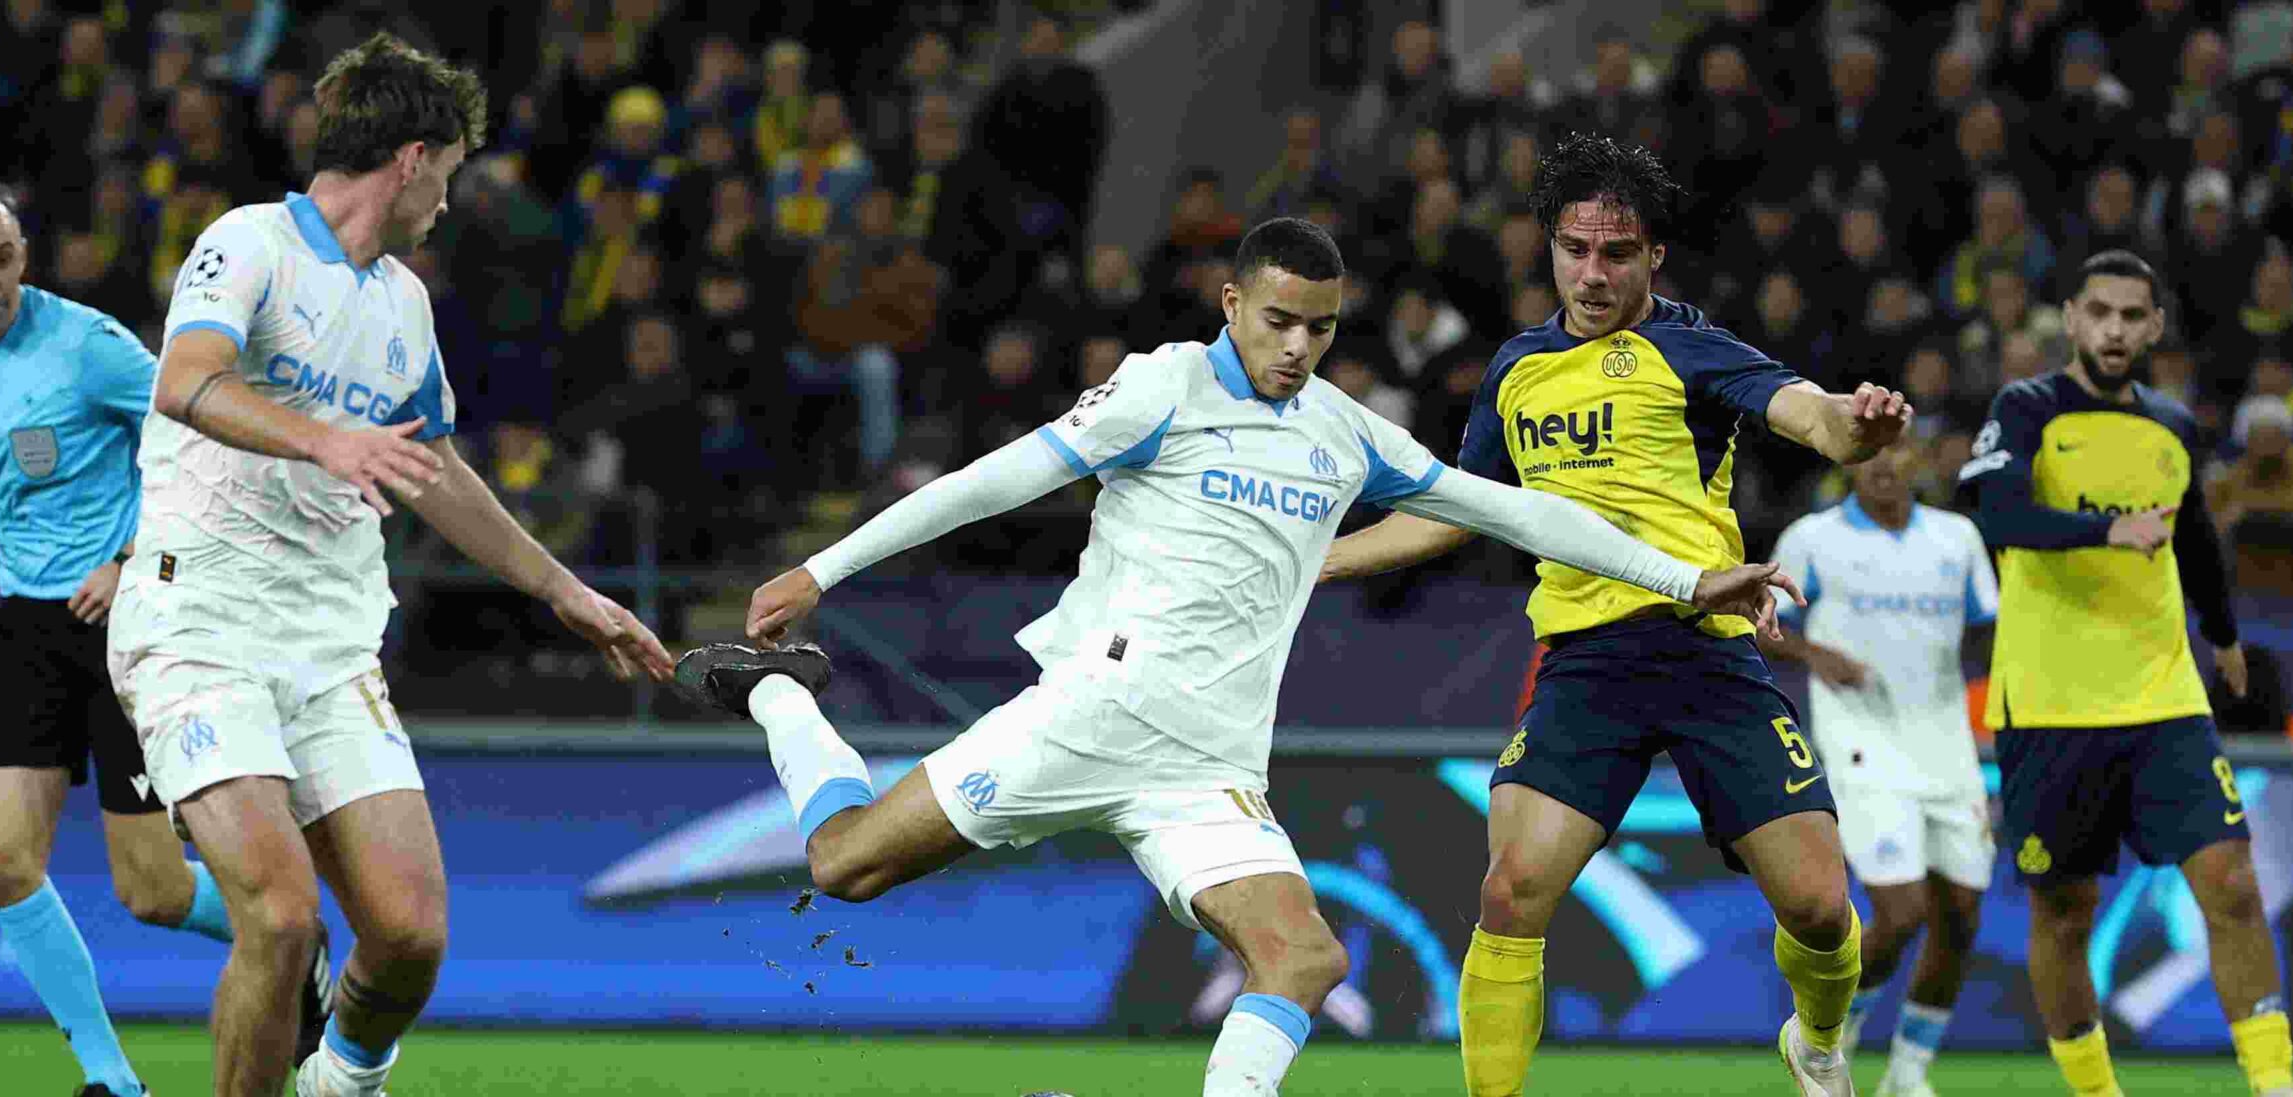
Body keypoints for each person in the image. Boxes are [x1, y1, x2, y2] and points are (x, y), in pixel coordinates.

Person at [673, 218, 1799, 1097]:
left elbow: (1518, 511)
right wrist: (823, 569)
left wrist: (1689, 579)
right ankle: (779, 691)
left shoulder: (1341, 430)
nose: (1298, 347)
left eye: (1319, 328)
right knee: (841, 864)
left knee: (1304, 959)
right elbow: (996, 478)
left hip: (1206, 770)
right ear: (1231, 304)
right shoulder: (1162, 386)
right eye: (1277, 322)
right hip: (1085, 721)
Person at [114, 33, 675, 1097]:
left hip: (328, 644)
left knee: (409, 934)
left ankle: (340, 1081)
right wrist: (322, 437)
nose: (450, 205)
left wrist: (568, 591)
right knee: (279, 920)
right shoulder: (250, 243)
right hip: (200, 622)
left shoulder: (403, 304)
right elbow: (184, 381)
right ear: (412, 159)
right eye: (452, 176)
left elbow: (434, 473)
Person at [1317, 133, 1916, 1097]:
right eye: (1575, 248)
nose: (1593, 273)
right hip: (1587, 667)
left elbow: (1816, 417)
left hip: (1707, 652)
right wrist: (1315, 562)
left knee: (1815, 905)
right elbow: (1455, 513)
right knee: (1510, 893)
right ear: (1549, 246)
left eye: (1618, 253)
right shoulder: (1515, 371)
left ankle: (1816, 1040)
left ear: (1654, 258)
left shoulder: (1691, 346)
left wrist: (1860, 422)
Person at [0, 182, 327, 1097]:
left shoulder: (86, 345)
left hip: (132, 624)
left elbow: (198, 438)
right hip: (26, 622)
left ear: (23, 258)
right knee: (3, 862)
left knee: (153, 893)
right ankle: (111, 1080)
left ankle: (296, 938)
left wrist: (130, 557)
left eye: (2, 259)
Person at [1956, 250, 2293, 1097]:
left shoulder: (2174, 426)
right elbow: (1996, 510)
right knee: (2064, 917)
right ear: (2070, 318)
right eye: (2098, 312)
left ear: (2154, 327)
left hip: (2162, 696)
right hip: (2049, 702)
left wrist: (2223, 636)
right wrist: (2102, 533)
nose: (2114, 329)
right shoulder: (2026, 408)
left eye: (2130, 316)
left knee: (2234, 881)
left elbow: (2195, 539)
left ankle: (2276, 1086)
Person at [1760, 440, 1999, 1097]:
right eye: (1870, 453)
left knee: (1962, 914)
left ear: (1919, 458)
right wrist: (1814, 653)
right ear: (1848, 461)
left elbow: (1988, 627)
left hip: (1948, 748)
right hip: (1860, 744)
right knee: (1899, 912)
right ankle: (1826, 1035)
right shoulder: (1812, 538)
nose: (1885, 464)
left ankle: (1908, 1073)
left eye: (1898, 451)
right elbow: (1759, 625)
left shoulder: (1958, 538)